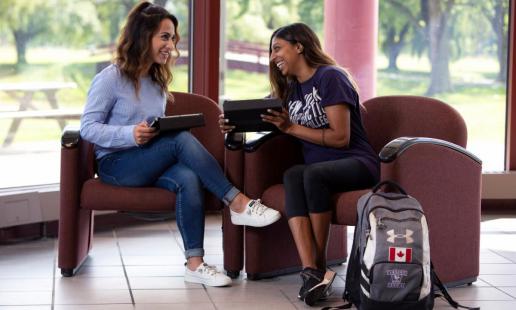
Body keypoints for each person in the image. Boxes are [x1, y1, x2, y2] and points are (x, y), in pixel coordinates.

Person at [80, 1, 280, 288]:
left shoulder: (156, 82)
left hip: (145, 159)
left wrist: (149, 134)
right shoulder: (110, 78)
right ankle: (237, 202)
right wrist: (129, 134)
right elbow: (87, 128)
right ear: (142, 36)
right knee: (180, 139)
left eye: (173, 38)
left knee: (187, 178)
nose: (171, 45)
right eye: (164, 36)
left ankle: (195, 263)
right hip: (116, 165)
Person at [220, 23, 380, 305]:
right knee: (295, 174)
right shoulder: (290, 91)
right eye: (271, 51)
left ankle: (317, 268)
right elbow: (260, 120)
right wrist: (233, 126)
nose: (273, 57)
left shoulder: (331, 78)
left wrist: (291, 128)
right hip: (315, 172)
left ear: (299, 46)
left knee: (310, 175)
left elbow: (341, 137)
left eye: (277, 48)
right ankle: (311, 271)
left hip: (356, 162)